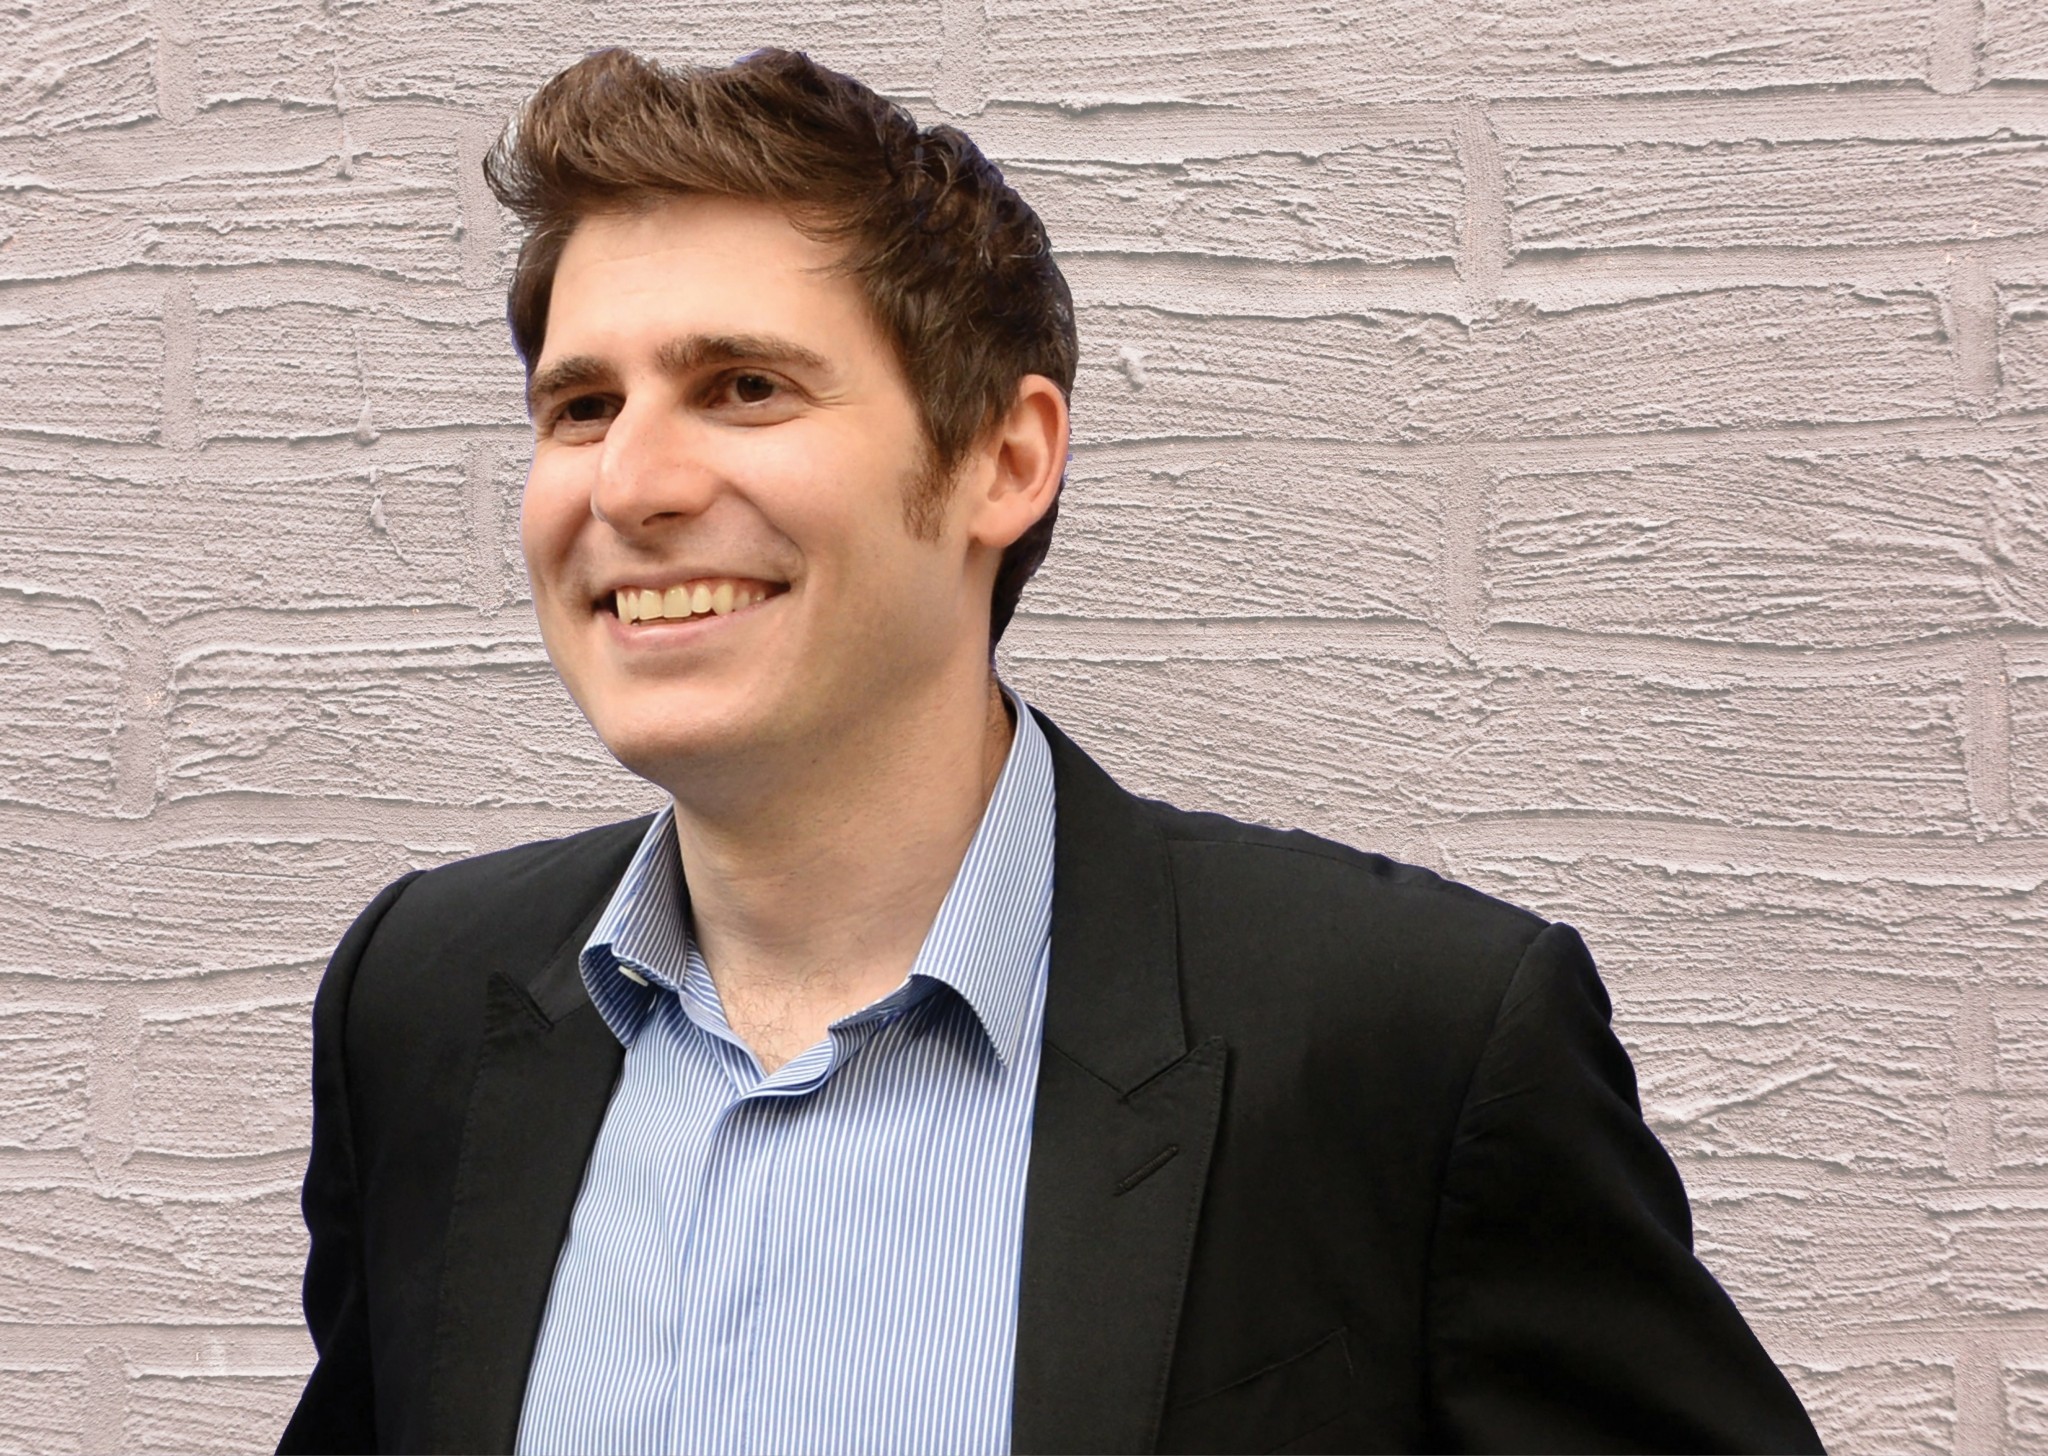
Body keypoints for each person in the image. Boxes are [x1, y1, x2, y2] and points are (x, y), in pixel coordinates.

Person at [278, 45, 1823, 1456]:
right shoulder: (419, 1007)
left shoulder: (1410, 1047)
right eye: (580, 405)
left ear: (1004, 459)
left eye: (743, 387)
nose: (630, 483)